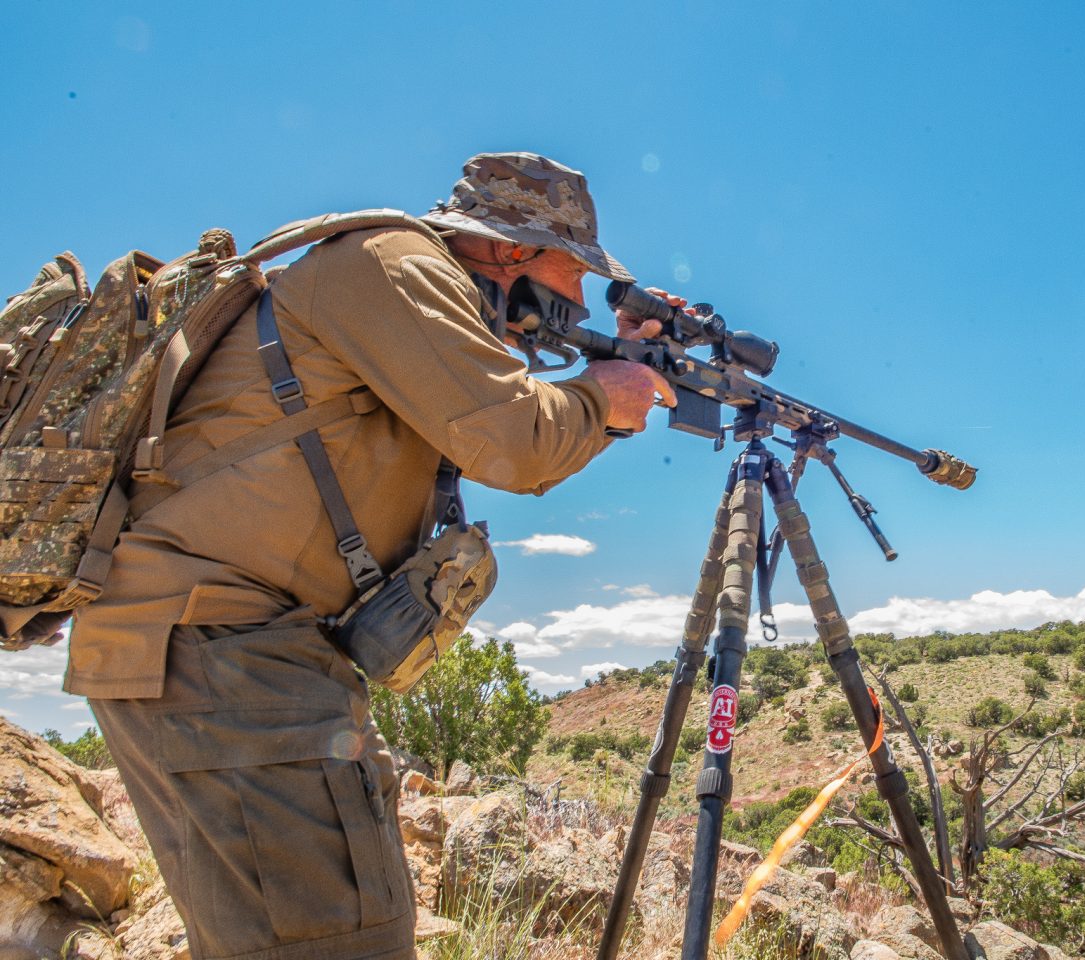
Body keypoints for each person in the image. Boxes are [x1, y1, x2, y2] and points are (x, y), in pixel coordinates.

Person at [63, 152, 673, 960]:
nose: (579, 303)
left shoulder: (413, 291)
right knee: (340, 940)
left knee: (308, 933)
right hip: (220, 648)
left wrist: (625, 358)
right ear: (513, 251)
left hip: (230, 650)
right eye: (575, 275)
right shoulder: (394, 262)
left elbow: (497, 398)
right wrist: (607, 398)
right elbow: (515, 440)